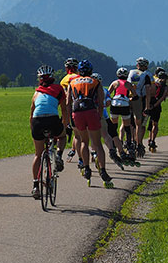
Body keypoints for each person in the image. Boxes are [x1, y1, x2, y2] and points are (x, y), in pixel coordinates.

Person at [67, 60, 113, 188]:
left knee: (83, 142)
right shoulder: (95, 82)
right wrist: (98, 115)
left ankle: (86, 168)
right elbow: (100, 100)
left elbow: (67, 102)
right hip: (91, 111)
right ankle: (103, 171)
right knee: (97, 143)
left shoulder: (72, 82)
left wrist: (71, 117)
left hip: (77, 113)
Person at [30, 64, 70, 199]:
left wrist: (33, 130)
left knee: (38, 154)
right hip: (53, 120)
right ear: (52, 77)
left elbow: (31, 114)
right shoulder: (59, 89)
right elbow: (64, 110)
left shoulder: (36, 92)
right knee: (62, 137)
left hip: (37, 122)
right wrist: (64, 126)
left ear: (40, 79)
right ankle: (58, 155)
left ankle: (35, 185)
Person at [93, 72, 126, 170]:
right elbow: (108, 103)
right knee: (112, 134)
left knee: (94, 137)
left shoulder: (89, 90)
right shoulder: (105, 90)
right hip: (104, 116)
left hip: (92, 115)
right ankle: (120, 152)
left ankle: (93, 154)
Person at [108, 67, 137, 164]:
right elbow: (135, 95)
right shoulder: (129, 84)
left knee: (114, 127)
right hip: (124, 105)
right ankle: (129, 146)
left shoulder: (114, 83)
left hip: (115, 105)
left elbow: (108, 94)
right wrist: (129, 99)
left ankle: (113, 146)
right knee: (127, 127)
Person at [127, 57, 153, 158]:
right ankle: (139, 144)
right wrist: (147, 106)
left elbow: (127, 85)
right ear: (146, 66)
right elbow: (148, 92)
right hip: (139, 100)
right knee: (140, 124)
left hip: (129, 99)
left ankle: (129, 142)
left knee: (129, 124)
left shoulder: (131, 73)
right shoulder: (146, 75)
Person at [60, 57, 81, 165]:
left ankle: (64, 153)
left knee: (72, 133)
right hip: (81, 107)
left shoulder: (63, 80)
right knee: (81, 134)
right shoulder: (80, 77)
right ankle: (84, 156)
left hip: (68, 108)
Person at [147, 67, 168, 152]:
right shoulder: (165, 87)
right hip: (155, 106)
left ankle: (150, 140)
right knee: (154, 124)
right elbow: (162, 98)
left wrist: (148, 105)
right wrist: (154, 105)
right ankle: (152, 140)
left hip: (150, 105)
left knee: (150, 124)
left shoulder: (154, 83)